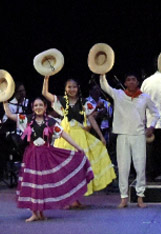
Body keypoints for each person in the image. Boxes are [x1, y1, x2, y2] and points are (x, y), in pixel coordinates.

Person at [42, 76, 116, 205]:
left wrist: (101, 136)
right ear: (65, 88)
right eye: (69, 87)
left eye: (74, 87)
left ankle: (75, 198)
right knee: (65, 168)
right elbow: (44, 93)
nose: (72, 89)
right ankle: (67, 199)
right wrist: (46, 78)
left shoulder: (83, 103)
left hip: (79, 136)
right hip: (65, 136)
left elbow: (91, 119)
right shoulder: (61, 101)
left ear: (78, 88)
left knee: (78, 168)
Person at [16, 98, 93, 221]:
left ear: (45, 107)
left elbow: (64, 134)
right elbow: (10, 115)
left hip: (45, 155)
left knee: (42, 183)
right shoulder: (27, 119)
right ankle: (34, 213)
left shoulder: (51, 122)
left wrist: (78, 147)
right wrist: (4, 102)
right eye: (36, 105)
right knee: (33, 182)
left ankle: (41, 213)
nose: (38, 107)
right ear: (32, 107)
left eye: (41, 105)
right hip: (32, 155)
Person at [100, 72, 161, 208]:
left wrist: (151, 126)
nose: (131, 82)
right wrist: (102, 73)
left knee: (140, 167)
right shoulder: (119, 94)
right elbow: (105, 86)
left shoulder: (144, 97)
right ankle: (123, 198)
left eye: (134, 79)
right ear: (125, 83)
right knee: (123, 168)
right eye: (128, 80)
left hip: (139, 135)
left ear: (137, 82)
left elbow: (156, 113)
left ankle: (140, 197)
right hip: (122, 135)